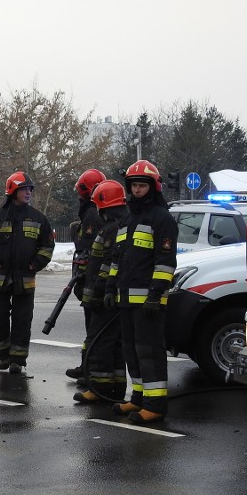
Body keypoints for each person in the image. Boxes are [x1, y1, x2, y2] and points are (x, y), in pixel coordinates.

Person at [103, 160, 178, 424]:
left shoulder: (162, 219)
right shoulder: (127, 219)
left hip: (148, 301)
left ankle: (155, 405)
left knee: (149, 352)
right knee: (131, 352)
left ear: (153, 187)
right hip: (125, 300)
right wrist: (111, 287)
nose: (137, 190)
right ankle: (137, 398)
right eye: (134, 185)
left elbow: (166, 262)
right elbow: (117, 259)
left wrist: (155, 295)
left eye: (142, 186)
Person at [0, 171, 55, 373]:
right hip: (0, 279)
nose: (28, 192)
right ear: (13, 191)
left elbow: (47, 246)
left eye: (30, 189)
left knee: (22, 321)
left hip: (25, 280)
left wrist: (35, 264)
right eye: (24, 189)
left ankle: (18, 361)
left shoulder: (39, 218)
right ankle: (3, 356)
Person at [72, 180, 129, 404]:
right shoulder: (116, 226)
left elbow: (107, 264)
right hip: (109, 296)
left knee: (99, 342)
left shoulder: (112, 229)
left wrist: (97, 291)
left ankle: (98, 389)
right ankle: (115, 387)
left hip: (104, 296)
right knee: (114, 343)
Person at [66, 168, 107, 381]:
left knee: (94, 326)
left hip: (92, 280)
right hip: (89, 280)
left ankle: (89, 369)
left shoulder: (91, 214)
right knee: (91, 327)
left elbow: (89, 250)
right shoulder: (92, 212)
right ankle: (87, 365)